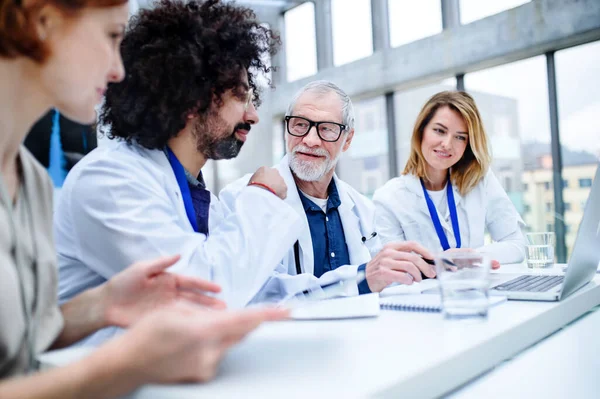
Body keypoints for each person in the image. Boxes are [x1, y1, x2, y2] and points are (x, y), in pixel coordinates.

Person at [0, 0, 286, 396]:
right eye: (111, 36)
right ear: (43, 20)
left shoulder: (26, 179)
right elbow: (212, 289)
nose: (118, 70)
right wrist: (124, 366)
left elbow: (19, 345)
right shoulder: (104, 177)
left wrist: (102, 304)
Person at [54, 0, 302, 339]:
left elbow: (257, 288)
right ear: (192, 100)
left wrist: (359, 279)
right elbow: (205, 296)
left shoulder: (192, 191)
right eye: (240, 97)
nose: (253, 115)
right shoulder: (108, 180)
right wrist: (262, 196)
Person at [220, 81, 436, 303]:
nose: (310, 140)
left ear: (347, 140)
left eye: (326, 129)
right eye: (300, 124)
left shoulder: (362, 208)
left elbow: (382, 280)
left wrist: (428, 266)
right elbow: (256, 293)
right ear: (286, 129)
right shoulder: (242, 198)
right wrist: (359, 281)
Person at [373, 91, 527, 266]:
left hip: (476, 289)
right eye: (439, 131)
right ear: (421, 131)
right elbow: (393, 271)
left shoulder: (480, 180)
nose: (447, 144)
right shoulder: (388, 198)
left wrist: (469, 257)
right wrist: (440, 264)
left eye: (460, 137)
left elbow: (517, 244)